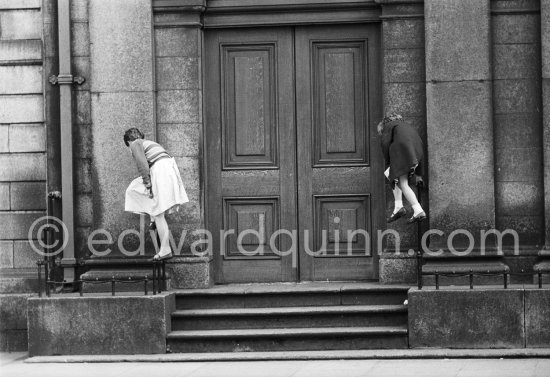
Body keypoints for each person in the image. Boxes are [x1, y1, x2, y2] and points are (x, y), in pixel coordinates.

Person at [123, 128, 189, 260]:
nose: (130, 150)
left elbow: (142, 165)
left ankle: (165, 249)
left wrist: (148, 184)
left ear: (129, 141)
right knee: (138, 192)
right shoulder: (150, 143)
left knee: (156, 212)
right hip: (167, 170)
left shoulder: (136, 144)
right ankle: (153, 217)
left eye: (128, 146)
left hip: (160, 170)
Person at [378, 114, 426, 224]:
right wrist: (419, 175)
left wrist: (388, 162)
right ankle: (398, 206)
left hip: (401, 153)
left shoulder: (388, 126)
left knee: (403, 184)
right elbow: (421, 152)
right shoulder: (408, 128)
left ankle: (418, 210)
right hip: (414, 154)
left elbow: (385, 145)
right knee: (391, 175)